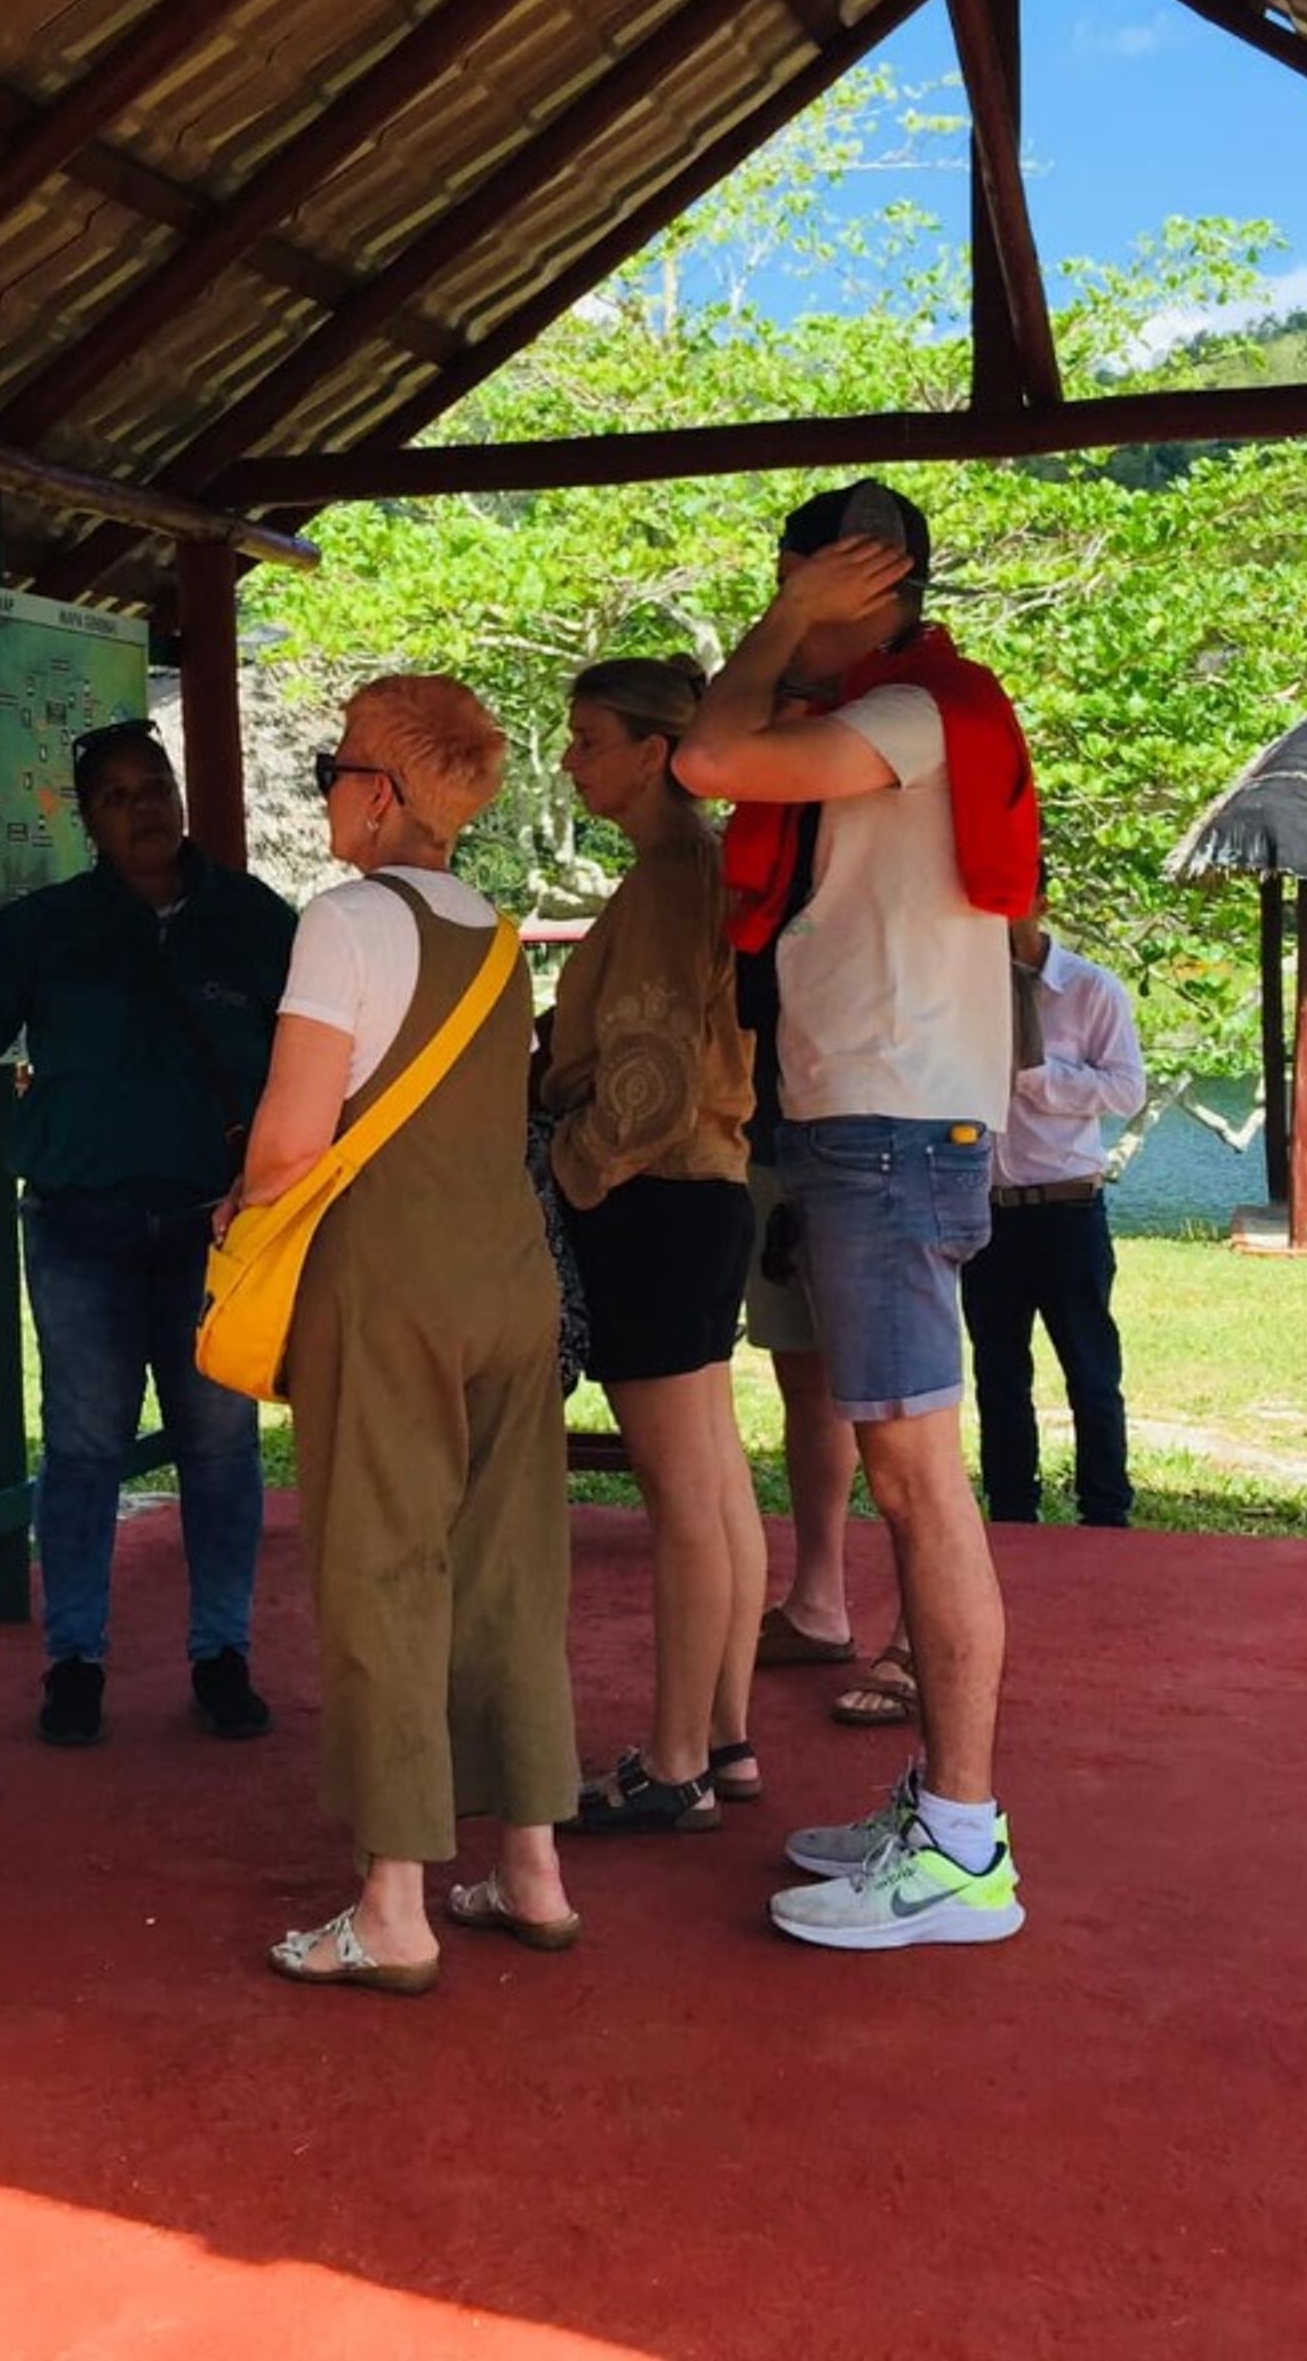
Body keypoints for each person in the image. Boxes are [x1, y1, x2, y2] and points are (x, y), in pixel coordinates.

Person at [675, 477, 1037, 1951]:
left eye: (799, 580)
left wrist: (786, 616)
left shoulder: (910, 714)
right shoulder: (901, 715)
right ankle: (941, 1814)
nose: (784, 613)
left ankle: (962, 1843)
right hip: (873, 1128)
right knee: (910, 1477)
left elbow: (709, 753)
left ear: (859, 580)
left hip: (890, 1132)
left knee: (920, 1486)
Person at [237, 676, 577, 1992]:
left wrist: (237, 1210)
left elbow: (290, 1141)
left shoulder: (345, 921)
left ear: (379, 793)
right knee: (508, 1568)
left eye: (333, 769)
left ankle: (393, 1905)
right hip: (512, 1282)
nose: (326, 790)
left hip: (388, 1287)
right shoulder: (496, 933)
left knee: (382, 1566)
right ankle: (532, 1867)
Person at [0, 718, 292, 1751]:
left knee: (220, 1446)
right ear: (88, 822)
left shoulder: (254, 920)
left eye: (158, 786)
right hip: (79, 1226)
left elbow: (311, 1055)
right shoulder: (49, 927)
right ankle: (75, 1661)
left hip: (215, 1232)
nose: (147, 808)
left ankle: (222, 1654)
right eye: (118, 796)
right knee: (86, 1447)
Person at [543, 655, 764, 1832]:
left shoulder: (675, 877)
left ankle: (676, 1760)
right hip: (701, 1194)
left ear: (651, 754)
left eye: (589, 739)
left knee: (685, 1496)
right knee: (714, 1483)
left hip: (656, 1199)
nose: (571, 760)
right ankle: (721, 1738)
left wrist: (569, 1170)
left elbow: (651, 1082)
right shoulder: (690, 871)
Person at [966, 909, 1147, 1530]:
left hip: (1066, 1209)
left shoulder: (1090, 990)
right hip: (987, 1212)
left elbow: (1126, 1091)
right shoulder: (960, 990)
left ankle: (1105, 1515)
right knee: (997, 1375)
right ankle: (1012, 1513)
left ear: (1037, 900)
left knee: (1090, 1372)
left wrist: (1041, 1080)